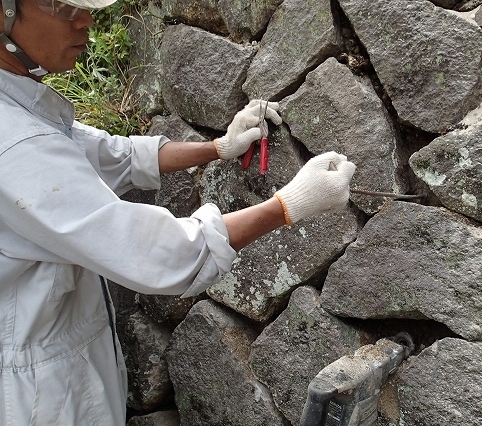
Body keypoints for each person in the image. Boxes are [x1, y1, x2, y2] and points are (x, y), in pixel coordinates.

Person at [0, 0, 356, 423]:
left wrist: (219, 147)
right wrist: (290, 204)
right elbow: (159, 253)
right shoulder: (17, 146)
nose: (86, 20)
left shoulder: (20, 108)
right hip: (38, 396)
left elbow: (113, 155)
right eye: (63, 7)